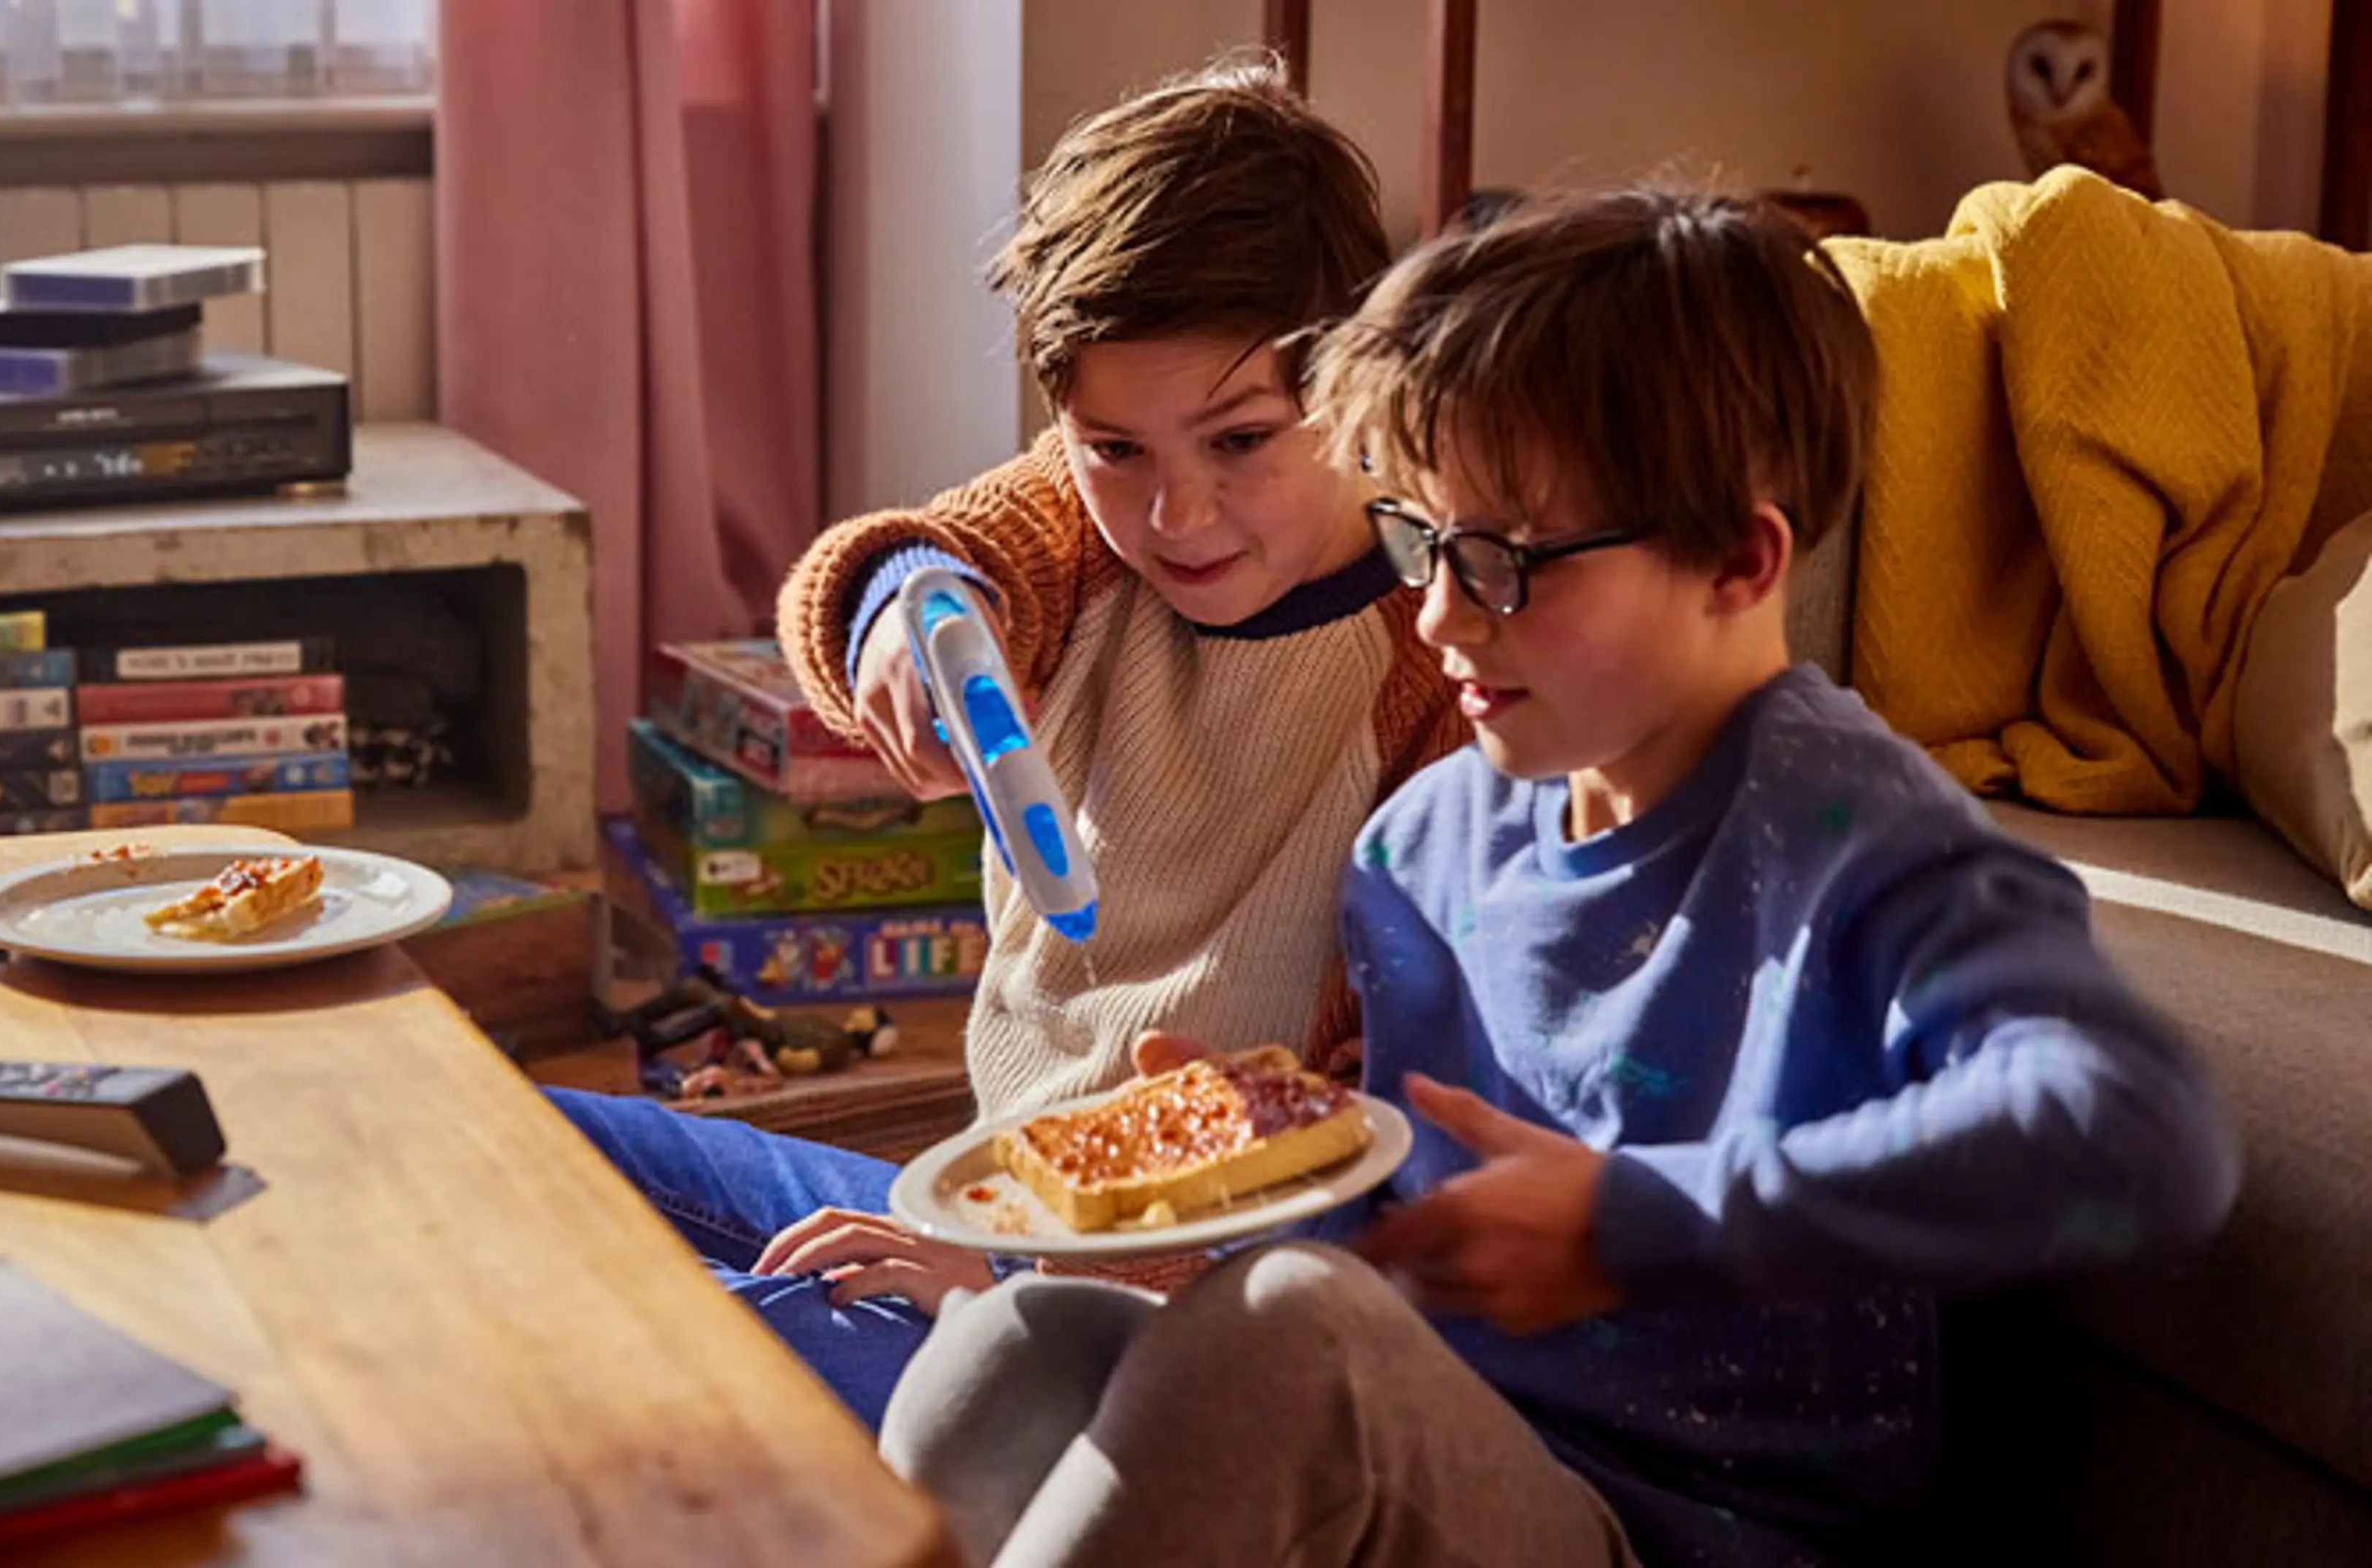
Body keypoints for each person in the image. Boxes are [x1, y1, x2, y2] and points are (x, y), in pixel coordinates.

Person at [876, 185, 2242, 1567]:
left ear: (1738, 559)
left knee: (1297, 1338)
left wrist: (1643, 1219)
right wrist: (1272, 1153)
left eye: (1505, 563)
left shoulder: (1859, 836)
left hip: (1696, 1532)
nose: (1440, 614)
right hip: (1464, 1449)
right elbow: (1422, 1217)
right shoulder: (1423, 848)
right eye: (1426, 541)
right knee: (1020, 1348)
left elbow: (2144, 1135)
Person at [547, 55, 1462, 1429]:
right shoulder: (1076, 537)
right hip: (977, 1205)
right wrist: (898, 622)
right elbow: (914, 559)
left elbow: (1360, 1161)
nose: (1177, 517)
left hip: (1162, 1327)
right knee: (516, 1149)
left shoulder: (1440, 667)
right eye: (1117, 450)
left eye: (1243, 441)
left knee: (662, 1366)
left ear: (1358, 386)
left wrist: (1025, 1286)